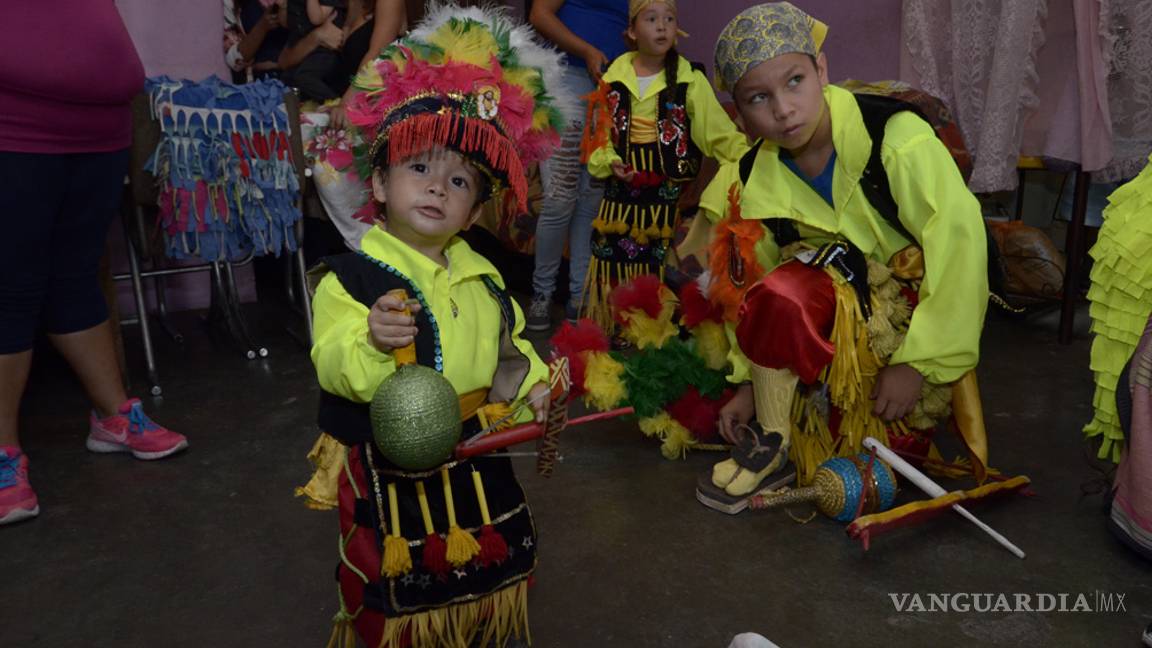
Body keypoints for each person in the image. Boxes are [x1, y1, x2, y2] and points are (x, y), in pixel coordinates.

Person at [301, 4, 570, 645]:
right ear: (381, 182)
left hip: (477, 453)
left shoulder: (484, 276)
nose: (436, 188)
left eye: (458, 180)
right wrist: (369, 340)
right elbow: (332, 358)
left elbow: (510, 351)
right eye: (419, 168)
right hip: (385, 465)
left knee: (485, 563)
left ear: (475, 210)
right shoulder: (351, 277)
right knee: (394, 582)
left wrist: (534, 385)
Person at [699, 3, 989, 500]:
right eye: (758, 98)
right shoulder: (751, 177)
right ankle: (776, 438)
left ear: (822, 70)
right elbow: (750, 291)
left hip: (909, 323)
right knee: (783, 288)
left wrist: (918, 363)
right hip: (830, 319)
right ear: (739, 115)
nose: (783, 109)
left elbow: (960, 247)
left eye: (794, 81)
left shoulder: (896, 140)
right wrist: (749, 382)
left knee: (882, 456)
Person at [0, 3, 188, 526]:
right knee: (11, 284)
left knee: (77, 273)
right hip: (15, 124)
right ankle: (1, 456)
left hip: (99, 127)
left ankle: (112, 417)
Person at [578, 0, 747, 332]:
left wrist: (750, 158)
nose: (662, 26)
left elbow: (717, 132)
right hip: (620, 183)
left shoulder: (688, 79)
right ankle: (617, 325)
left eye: (669, 19)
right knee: (612, 253)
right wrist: (610, 161)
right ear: (631, 31)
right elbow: (599, 132)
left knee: (655, 255)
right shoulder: (613, 75)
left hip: (662, 184)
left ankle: (655, 329)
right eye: (652, 18)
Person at [524, 0, 629, 331]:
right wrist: (586, 50)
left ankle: (580, 298)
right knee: (559, 199)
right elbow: (539, 15)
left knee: (590, 202)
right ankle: (541, 295)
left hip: (613, 90)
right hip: (567, 79)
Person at [223, 0, 291, 83]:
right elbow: (233, 60)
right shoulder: (233, 4)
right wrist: (263, 26)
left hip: (296, 71)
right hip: (260, 83)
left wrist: (280, 64)